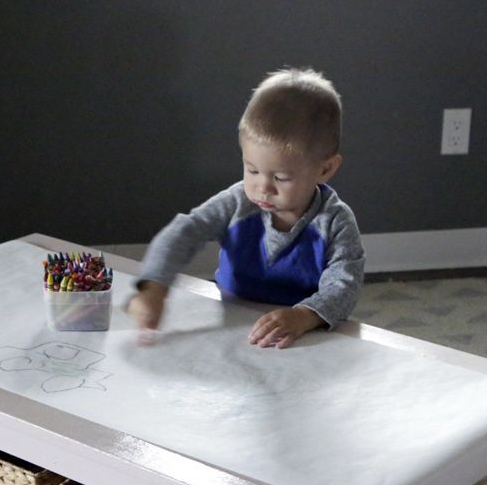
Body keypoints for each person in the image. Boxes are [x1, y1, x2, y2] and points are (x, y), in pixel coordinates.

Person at [128, 67, 364, 348]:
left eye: (280, 177)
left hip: (301, 337)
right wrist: (154, 285)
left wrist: (304, 316)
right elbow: (184, 231)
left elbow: (344, 284)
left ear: (325, 169)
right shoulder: (237, 202)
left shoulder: (335, 220)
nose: (262, 187)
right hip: (229, 325)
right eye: (251, 170)